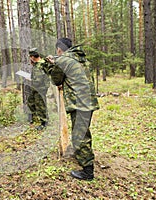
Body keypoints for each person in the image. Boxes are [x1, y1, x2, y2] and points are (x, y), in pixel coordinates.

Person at [46, 38, 99, 181]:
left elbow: (56, 80)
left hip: (80, 104)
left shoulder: (63, 60)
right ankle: (83, 157)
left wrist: (52, 65)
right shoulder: (81, 58)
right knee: (83, 132)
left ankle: (88, 171)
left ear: (59, 49)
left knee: (80, 137)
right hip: (89, 102)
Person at [27, 48, 50, 130]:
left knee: (41, 105)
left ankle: (44, 122)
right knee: (30, 101)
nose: (30, 58)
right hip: (37, 87)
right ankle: (35, 118)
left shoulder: (40, 65)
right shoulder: (38, 64)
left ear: (33, 56)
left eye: (30, 56)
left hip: (40, 88)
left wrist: (30, 80)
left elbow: (38, 80)